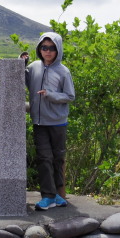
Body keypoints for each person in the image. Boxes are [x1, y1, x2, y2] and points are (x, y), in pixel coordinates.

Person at [25, 32, 75, 210]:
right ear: (39, 49)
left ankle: (56, 195)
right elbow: (20, 79)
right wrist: (21, 63)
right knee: (44, 158)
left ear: (58, 50)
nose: (47, 51)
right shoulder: (33, 67)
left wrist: (50, 95)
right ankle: (48, 196)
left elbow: (70, 96)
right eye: (44, 47)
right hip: (39, 122)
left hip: (58, 122)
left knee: (58, 158)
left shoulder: (63, 71)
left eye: (51, 48)